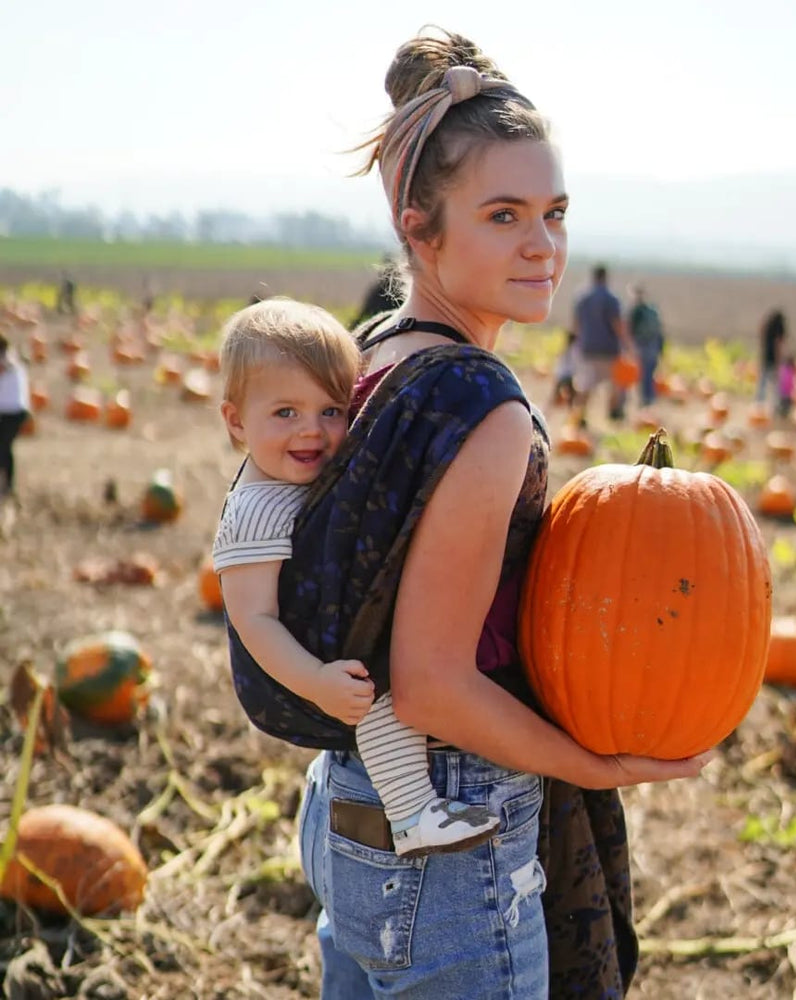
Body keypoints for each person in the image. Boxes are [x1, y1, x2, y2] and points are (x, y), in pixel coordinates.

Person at [223, 27, 710, 999]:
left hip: (349, 808)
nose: (543, 244)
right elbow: (435, 684)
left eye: (554, 212)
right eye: (502, 214)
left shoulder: (369, 354)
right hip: (448, 834)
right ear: (419, 227)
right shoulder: (484, 414)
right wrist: (591, 762)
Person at [213, 297, 500, 857]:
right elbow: (253, 620)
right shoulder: (255, 510)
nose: (312, 432)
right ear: (235, 420)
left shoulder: (289, 474)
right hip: (310, 655)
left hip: (327, 628)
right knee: (382, 696)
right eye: (286, 414)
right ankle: (413, 812)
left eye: (331, 411)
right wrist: (316, 679)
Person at [570, 264, 636, 425]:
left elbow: (576, 324)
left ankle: (580, 417)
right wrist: (628, 346)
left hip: (587, 348)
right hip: (609, 349)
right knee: (615, 384)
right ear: (606, 277)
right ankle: (613, 415)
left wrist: (576, 343)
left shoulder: (582, 298)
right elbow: (618, 324)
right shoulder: (611, 298)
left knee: (586, 384)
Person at [0, 334, 31, 498]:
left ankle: (8, 486)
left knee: (3, 447)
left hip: (13, 411)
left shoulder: (8, 360)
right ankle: (6, 485)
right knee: (4, 447)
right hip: (12, 411)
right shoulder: (12, 358)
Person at [626, 283, 665, 407]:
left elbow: (629, 330)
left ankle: (645, 402)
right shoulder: (652, 310)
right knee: (649, 375)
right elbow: (660, 331)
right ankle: (649, 400)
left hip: (641, 347)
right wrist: (661, 349)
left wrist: (629, 347)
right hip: (653, 347)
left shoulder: (636, 311)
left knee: (642, 376)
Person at [755, 307, 786, 411]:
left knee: (763, 381)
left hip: (765, 356)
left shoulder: (767, 328)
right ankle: (776, 405)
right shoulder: (778, 329)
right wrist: (778, 361)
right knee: (775, 383)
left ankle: (759, 403)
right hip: (773, 358)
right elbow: (778, 346)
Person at [777, 353, 796, 418]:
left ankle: (783, 414)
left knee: (784, 404)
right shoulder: (790, 370)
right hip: (786, 392)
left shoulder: (783, 368)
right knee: (786, 404)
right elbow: (791, 382)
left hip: (783, 391)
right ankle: (783, 414)